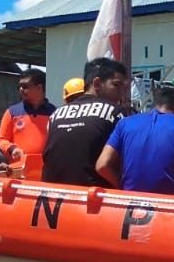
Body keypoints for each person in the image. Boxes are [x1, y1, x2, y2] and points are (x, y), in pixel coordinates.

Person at [96, 85, 174, 194]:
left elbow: (102, 165)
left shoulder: (125, 123)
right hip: (167, 202)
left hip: (130, 201)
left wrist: (121, 186)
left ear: (155, 104)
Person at [42, 58, 128, 186]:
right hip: (94, 198)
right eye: (116, 85)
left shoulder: (55, 115)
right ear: (97, 83)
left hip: (51, 196)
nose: (122, 93)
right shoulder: (117, 113)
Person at [0, 68, 55, 176]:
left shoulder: (54, 113)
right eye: (19, 86)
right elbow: (1, 139)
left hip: (46, 172)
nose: (21, 89)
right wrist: (12, 148)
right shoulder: (12, 112)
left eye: (25, 86)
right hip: (18, 172)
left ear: (39, 87)